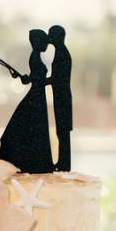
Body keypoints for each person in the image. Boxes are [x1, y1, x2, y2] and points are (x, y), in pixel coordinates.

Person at [0, 29, 54, 174]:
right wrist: (53, 80)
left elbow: (33, 78)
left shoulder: (35, 56)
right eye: (45, 42)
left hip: (38, 94)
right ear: (38, 42)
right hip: (37, 95)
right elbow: (38, 79)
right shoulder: (35, 57)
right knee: (34, 127)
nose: (47, 45)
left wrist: (28, 78)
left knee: (34, 127)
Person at [48, 24, 72, 172]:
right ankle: (62, 162)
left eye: (52, 35)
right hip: (60, 96)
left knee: (63, 132)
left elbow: (58, 78)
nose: (49, 38)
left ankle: (64, 163)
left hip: (62, 97)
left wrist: (40, 81)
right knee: (61, 131)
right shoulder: (59, 52)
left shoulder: (62, 54)